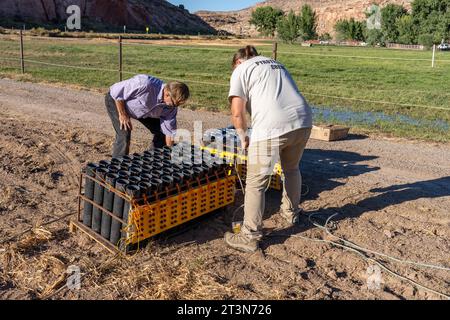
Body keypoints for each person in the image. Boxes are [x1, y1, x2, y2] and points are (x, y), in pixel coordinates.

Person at [225, 46, 313, 253]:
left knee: (256, 182)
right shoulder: (275, 64)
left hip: (272, 126)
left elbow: (237, 113)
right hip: (303, 120)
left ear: (238, 62)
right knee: (291, 169)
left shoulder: (241, 69)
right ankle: (291, 212)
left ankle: (249, 235)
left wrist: (243, 136)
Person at [105, 75, 190, 157]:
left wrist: (170, 151)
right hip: (117, 102)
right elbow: (116, 91)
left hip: (143, 111)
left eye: (177, 105)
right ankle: (118, 165)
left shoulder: (171, 107)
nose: (174, 107)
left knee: (161, 133)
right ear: (167, 94)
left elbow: (169, 131)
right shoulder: (145, 84)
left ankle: (153, 159)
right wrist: (122, 114)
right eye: (174, 103)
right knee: (124, 134)